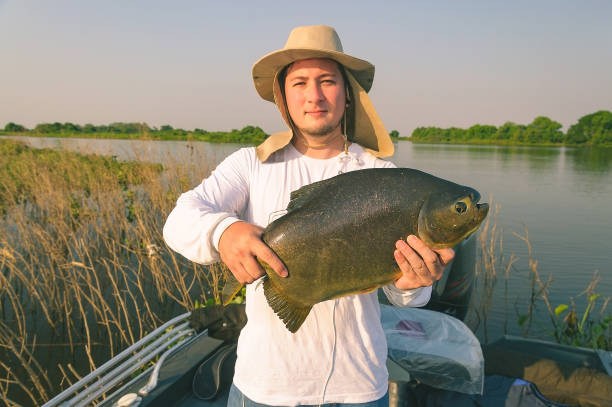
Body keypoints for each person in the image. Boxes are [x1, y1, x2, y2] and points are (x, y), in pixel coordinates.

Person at [163, 25, 455, 407]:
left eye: (327, 81)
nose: (314, 96)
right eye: (299, 82)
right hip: (264, 387)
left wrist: (413, 283)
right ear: (283, 96)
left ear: (348, 94)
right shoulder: (250, 165)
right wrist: (225, 232)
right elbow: (179, 221)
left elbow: (405, 298)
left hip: (361, 386)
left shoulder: (382, 175)